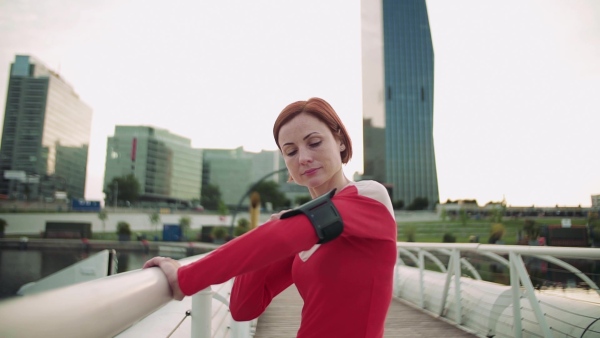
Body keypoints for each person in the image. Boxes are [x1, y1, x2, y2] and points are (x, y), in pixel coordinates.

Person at [143, 97, 397, 337]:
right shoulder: (302, 227)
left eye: (314, 142)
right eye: (291, 151)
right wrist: (276, 227)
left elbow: (290, 234)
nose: (304, 158)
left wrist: (185, 277)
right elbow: (244, 307)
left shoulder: (369, 196)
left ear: (340, 140)